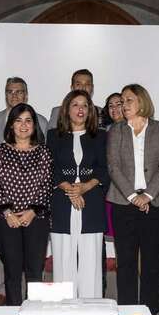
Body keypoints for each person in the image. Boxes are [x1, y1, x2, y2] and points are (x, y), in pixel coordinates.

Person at [107, 84, 159, 315]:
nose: (123, 105)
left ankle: (148, 314)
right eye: (122, 101)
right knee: (125, 262)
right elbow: (113, 168)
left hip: (156, 204)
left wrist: (148, 195)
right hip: (124, 204)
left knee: (152, 263)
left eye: (128, 100)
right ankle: (126, 313)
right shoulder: (116, 130)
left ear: (142, 102)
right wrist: (134, 197)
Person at [0, 77, 49, 305]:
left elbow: (45, 185)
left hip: (36, 218)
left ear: (35, 125)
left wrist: (32, 211)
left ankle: (35, 314)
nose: (23, 125)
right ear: (11, 124)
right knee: (11, 271)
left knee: (34, 271)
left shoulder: (43, 152)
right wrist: (8, 213)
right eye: (18, 120)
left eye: (28, 121)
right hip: (6, 219)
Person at [47, 90, 108, 298]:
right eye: (75, 105)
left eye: (85, 105)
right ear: (67, 109)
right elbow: (50, 168)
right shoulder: (53, 136)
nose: (80, 109)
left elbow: (104, 168)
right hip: (62, 204)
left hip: (91, 202)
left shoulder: (101, 136)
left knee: (91, 259)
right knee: (64, 257)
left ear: (90, 110)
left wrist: (84, 187)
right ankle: (64, 307)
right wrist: (70, 189)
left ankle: (91, 306)